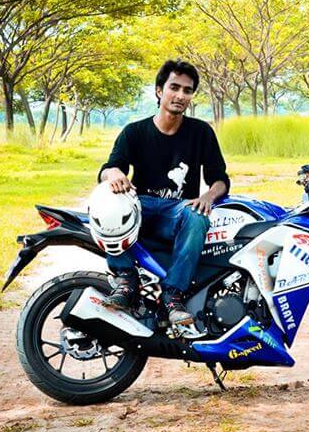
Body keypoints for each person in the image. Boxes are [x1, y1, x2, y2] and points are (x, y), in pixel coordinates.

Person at [97, 59, 230, 326]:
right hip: (140, 208)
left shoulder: (201, 132)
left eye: (187, 90)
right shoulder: (134, 132)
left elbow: (219, 179)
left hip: (176, 211)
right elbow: (109, 169)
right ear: (159, 91)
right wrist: (113, 174)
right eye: (174, 87)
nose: (180, 95)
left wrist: (208, 196)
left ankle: (172, 296)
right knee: (109, 203)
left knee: (197, 215)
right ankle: (125, 280)